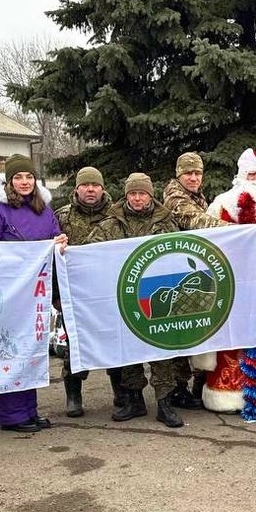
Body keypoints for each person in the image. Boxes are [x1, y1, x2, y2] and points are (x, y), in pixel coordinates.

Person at [0, 154, 67, 434]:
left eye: (29, 177)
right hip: (9, 293)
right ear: (9, 182)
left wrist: (60, 243)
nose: (24, 182)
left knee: (32, 350)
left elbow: (54, 239)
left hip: (37, 293)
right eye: (18, 178)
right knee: (11, 350)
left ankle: (30, 409)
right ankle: (13, 414)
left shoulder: (44, 210)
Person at [92, 172, 186, 428]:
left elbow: (179, 253)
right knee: (128, 348)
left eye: (141, 193)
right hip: (124, 297)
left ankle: (164, 403)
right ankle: (134, 400)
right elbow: (90, 253)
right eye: (132, 193)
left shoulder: (165, 221)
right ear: (126, 195)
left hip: (158, 293)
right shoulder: (112, 223)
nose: (137, 198)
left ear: (150, 195)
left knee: (161, 348)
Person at [198, 148, 256, 413]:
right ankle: (228, 393)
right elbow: (212, 240)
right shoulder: (224, 202)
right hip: (234, 279)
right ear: (241, 175)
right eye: (252, 173)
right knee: (231, 334)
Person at [161, 151, 226, 410]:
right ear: (179, 175)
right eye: (188, 173)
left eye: (197, 173)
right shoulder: (175, 196)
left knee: (197, 326)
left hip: (195, 269)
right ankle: (178, 389)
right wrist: (233, 228)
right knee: (180, 328)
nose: (193, 177)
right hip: (178, 271)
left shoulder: (198, 196)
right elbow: (193, 219)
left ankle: (196, 386)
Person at [54, 165, 114, 417]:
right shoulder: (61, 216)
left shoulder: (116, 214)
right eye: (85, 185)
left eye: (95, 185)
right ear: (77, 188)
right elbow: (50, 255)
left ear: (102, 188)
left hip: (109, 294)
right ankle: (74, 395)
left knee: (113, 343)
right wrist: (56, 295)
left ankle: (121, 391)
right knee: (74, 346)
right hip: (74, 297)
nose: (90, 189)